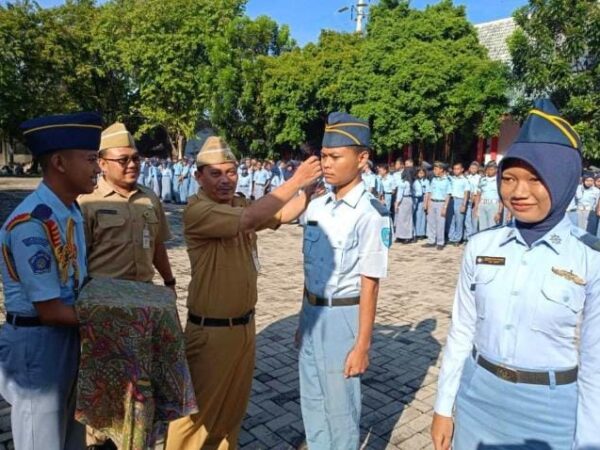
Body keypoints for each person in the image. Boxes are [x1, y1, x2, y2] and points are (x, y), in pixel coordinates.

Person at [431, 99, 600, 450]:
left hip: (551, 413)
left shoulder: (590, 258)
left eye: (535, 179)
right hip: (477, 395)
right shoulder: (481, 246)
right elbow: (461, 331)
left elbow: (595, 364)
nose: (518, 192)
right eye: (508, 178)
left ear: (564, 178)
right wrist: (443, 406)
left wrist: (588, 442)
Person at [165, 136, 321, 450]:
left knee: (230, 416)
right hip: (211, 333)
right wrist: (296, 180)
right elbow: (251, 219)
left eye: (231, 172)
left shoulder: (238, 204)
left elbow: (279, 214)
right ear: (198, 177)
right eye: (215, 174)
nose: (226, 180)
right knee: (196, 419)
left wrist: (306, 193)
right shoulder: (198, 210)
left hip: (244, 328)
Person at [0, 112, 102, 449]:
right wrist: (113, 320)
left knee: (71, 436)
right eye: (90, 159)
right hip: (39, 344)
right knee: (41, 439)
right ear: (59, 162)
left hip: (66, 336)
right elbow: (50, 310)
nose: (98, 168)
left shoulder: (68, 210)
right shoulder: (32, 223)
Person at [298, 112, 391, 450]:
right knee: (312, 401)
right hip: (312, 313)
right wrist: (302, 319)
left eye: (335, 156)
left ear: (362, 159)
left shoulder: (371, 213)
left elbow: (371, 284)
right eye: (323, 156)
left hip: (343, 318)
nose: (326, 164)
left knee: (341, 411)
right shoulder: (317, 207)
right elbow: (311, 270)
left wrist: (362, 345)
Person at [423, 161, 451, 250]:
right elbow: (430, 192)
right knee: (431, 222)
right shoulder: (434, 179)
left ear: (441, 169)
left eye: (436, 169)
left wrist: (445, 207)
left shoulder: (447, 181)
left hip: (441, 203)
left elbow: (448, 195)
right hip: (432, 202)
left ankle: (440, 242)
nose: (434, 171)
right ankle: (431, 241)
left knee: (440, 223)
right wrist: (428, 204)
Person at [474, 161, 503, 231]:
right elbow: (478, 194)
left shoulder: (499, 181)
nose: (489, 171)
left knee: (492, 227)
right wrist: (476, 207)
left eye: (491, 169)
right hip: (482, 205)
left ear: (496, 170)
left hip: (494, 205)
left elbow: (501, 197)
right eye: (488, 169)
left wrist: (499, 212)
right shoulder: (482, 179)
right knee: (482, 227)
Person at [448, 162, 470, 246]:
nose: (456, 170)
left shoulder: (465, 180)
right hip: (451, 200)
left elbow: (466, 193)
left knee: (459, 221)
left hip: (460, 200)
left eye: (458, 169)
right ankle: (451, 237)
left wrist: (464, 205)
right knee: (451, 220)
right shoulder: (451, 179)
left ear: (462, 169)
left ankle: (458, 238)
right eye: (454, 169)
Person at [395, 168, 415, 243]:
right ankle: (403, 235)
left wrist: (397, 203)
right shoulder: (411, 183)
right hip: (409, 199)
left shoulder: (403, 182)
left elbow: (400, 194)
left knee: (402, 219)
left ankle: (405, 236)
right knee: (407, 219)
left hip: (403, 200)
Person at [464, 161, 481, 239]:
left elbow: (479, 190)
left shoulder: (479, 178)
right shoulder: (467, 177)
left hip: (476, 199)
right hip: (468, 199)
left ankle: (474, 236)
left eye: (475, 168)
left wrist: (475, 197)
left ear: (477, 169)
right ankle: (468, 236)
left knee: (474, 218)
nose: (473, 169)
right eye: (472, 168)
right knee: (467, 219)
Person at [413, 167, 429, 239]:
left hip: (423, 199)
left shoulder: (426, 181)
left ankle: (421, 233)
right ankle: (416, 232)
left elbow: (427, 192)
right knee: (416, 216)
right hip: (416, 199)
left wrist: (426, 203)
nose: (421, 174)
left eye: (422, 173)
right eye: (419, 173)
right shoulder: (415, 181)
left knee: (422, 216)